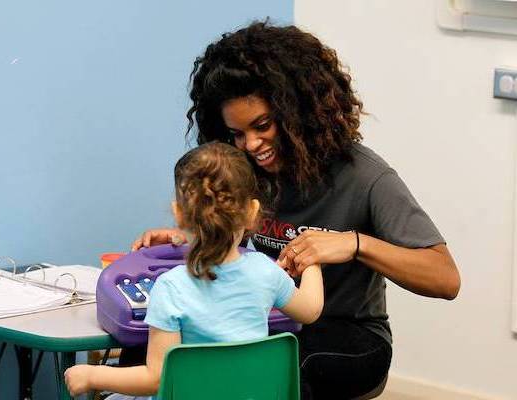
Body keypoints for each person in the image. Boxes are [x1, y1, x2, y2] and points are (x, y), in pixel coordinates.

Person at [131, 21, 461, 399]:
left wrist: (354, 244)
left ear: (298, 110)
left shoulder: (366, 176)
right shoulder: (243, 170)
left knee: (279, 365)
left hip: (346, 333)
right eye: (237, 134)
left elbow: (445, 279)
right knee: (141, 356)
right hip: (264, 324)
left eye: (263, 125)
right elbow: (233, 242)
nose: (252, 145)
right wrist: (194, 237)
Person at [65, 142, 324, 398]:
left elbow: (155, 378)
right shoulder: (266, 271)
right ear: (252, 212)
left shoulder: (170, 287)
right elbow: (310, 310)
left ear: (179, 214)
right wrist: (312, 261)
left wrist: (90, 376)